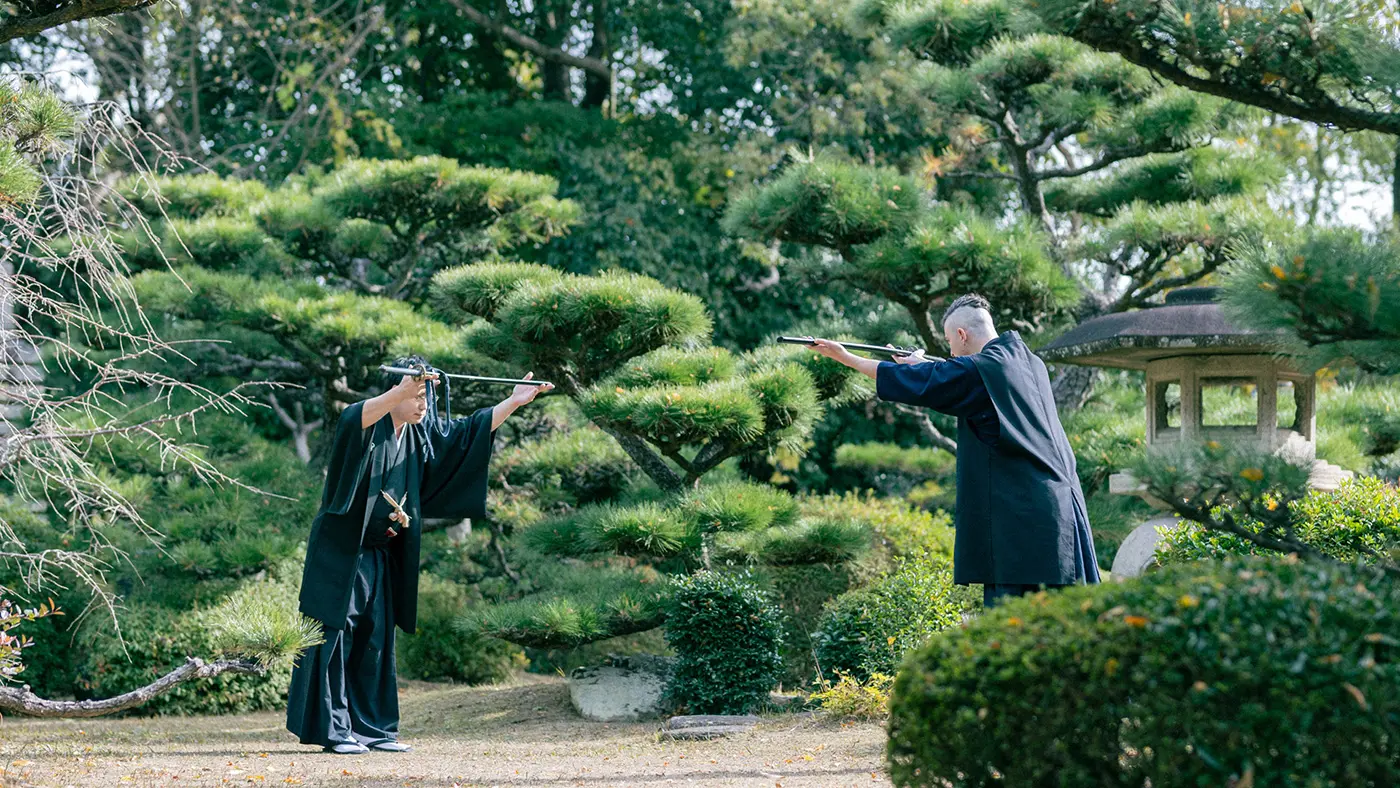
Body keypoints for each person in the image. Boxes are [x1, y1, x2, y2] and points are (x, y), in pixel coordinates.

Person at [287, 355, 552, 754]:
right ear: (395, 392)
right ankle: (336, 731)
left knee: (374, 639)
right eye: (418, 394)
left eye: (426, 393)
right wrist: (400, 390)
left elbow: (465, 435)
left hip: (380, 553)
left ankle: (373, 729)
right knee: (336, 638)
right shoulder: (364, 425)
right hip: (341, 555)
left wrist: (513, 401)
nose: (424, 401)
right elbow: (350, 419)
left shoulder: (415, 434)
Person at [807, 294, 1100, 608]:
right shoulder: (1028, 362)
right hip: (1059, 508)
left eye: (949, 341)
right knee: (1067, 619)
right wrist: (921, 366)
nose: (949, 350)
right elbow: (958, 374)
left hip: (1022, 517)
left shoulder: (984, 369)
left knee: (1016, 626)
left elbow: (947, 377)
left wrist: (846, 357)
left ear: (962, 335)